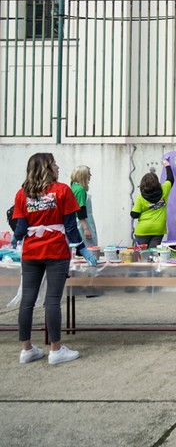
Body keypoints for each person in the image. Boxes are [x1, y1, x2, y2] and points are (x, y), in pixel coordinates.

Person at [11, 153, 95, 365]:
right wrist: (83, 249)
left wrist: (17, 238)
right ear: (47, 168)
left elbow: (20, 228)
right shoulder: (62, 191)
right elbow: (70, 227)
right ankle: (56, 350)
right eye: (54, 163)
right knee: (52, 300)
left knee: (27, 301)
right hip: (56, 251)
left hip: (31, 252)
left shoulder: (22, 194)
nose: (58, 166)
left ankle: (26, 349)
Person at [131, 160, 174, 248]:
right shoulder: (164, 190)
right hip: (158, 229)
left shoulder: (141, 197)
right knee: (153, 255)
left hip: (142, 230)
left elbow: (134, 214)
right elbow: (170, 179)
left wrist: (147, 209)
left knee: (142, 255)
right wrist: (167, 166)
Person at [70, 165, 97, 248]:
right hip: (83, 222)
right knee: (90, 248)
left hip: (75, 222)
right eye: (89, 173)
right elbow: (80, 210)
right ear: (83, 175)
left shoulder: (73, 187)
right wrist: (86, 229)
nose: (90, 175)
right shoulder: (80, 190)